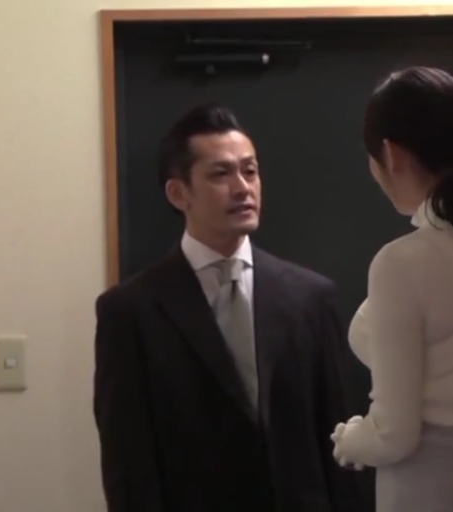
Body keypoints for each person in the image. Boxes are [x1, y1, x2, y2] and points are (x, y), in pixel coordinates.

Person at [93, 104, 368, 512]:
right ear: (178, 193)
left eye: (250, 171)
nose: (242, 188)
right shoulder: (130, 311)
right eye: (221, 174)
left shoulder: (311, 297)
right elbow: (127, 462)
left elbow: (340, 437)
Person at [329, 66, 453, 512]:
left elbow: (393, 435)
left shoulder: (402, 262)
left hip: (426, 488)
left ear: (391, 155)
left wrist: (350, 438)